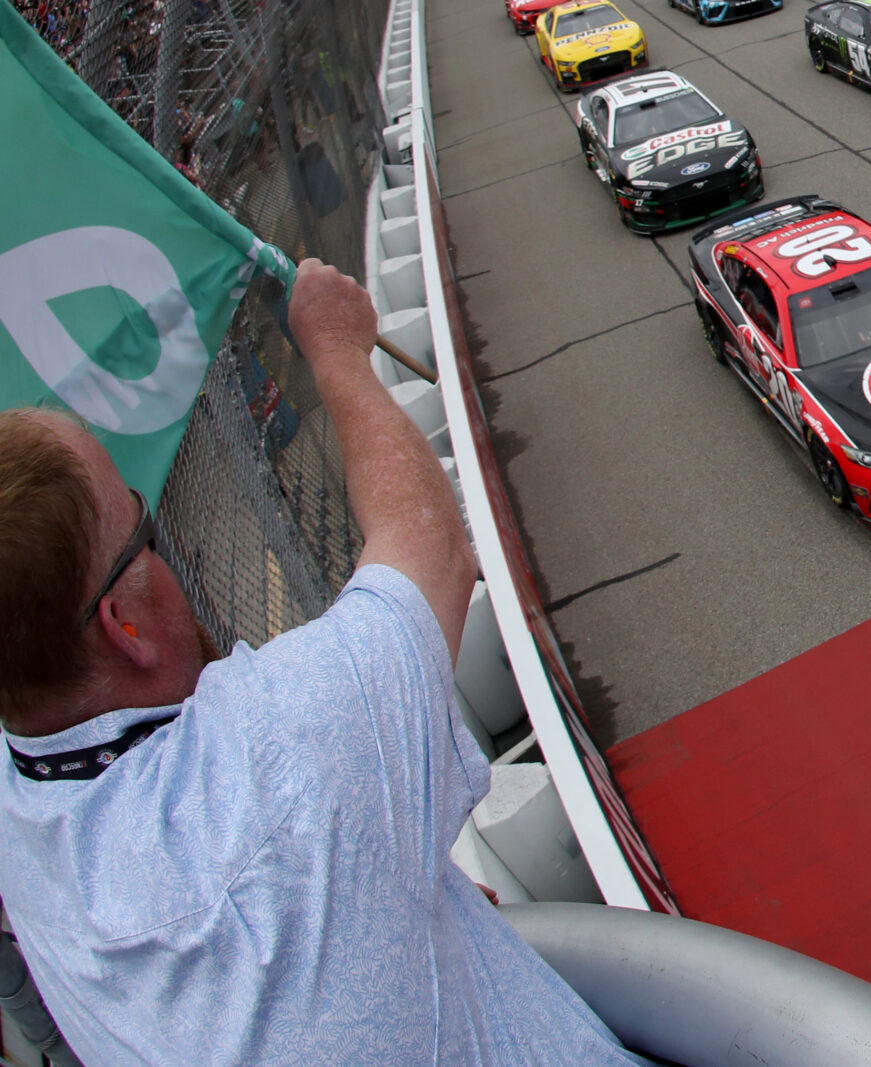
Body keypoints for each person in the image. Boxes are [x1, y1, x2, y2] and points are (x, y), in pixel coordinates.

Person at [0, 259, 638, 1065]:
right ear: (123, 624)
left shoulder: (22, 818)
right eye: (143, 527)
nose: (153, 533)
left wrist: (390, 893)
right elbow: (431, 543)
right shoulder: (287, 756)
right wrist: (336, 346)